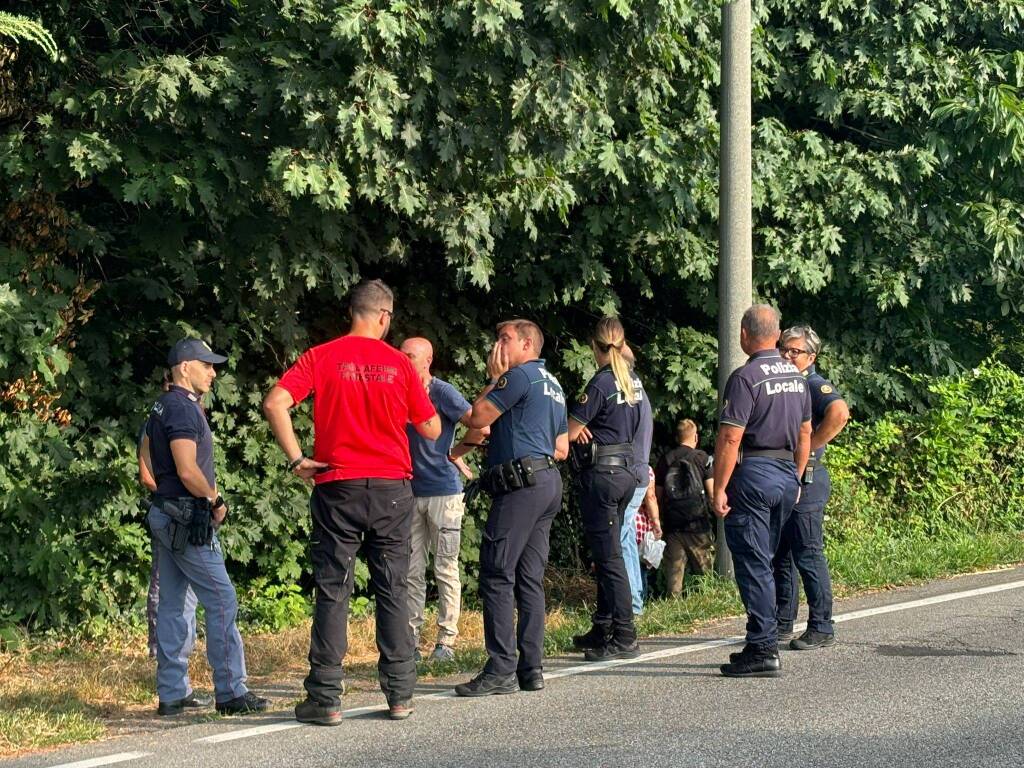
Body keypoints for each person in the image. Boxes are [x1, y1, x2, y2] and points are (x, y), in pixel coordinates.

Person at [263, 279, 440, 725]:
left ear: (353, 313)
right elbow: (433, 429)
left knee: (333, 588)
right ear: (384, 316)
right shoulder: (399, 364)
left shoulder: (322, 356)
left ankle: (325, 698)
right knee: (393, 588)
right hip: (391, 489)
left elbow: (275, 403)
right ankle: (400, 693)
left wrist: (298, 458)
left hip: (336, 484)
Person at [146, 339, 268, 716]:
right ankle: (231, 691)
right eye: (207, 365)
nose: (213, 373)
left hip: (165, 515)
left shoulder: (160, 405)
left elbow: (146, 462)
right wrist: (214, 500)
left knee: (173, 604)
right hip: (188, 520)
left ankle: (172, 693)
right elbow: (186, 468)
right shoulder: (182, 408)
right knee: (221, 599)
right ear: (184, 367)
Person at [453, 319, 568, 696]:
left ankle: (501, 667)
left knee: (498, 572)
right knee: (529, 577)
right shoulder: (553, 384)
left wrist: (493, 377)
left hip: (521, 486)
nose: (497, 346)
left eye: (505, 339)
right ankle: (530, 668)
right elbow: (562, 447)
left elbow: (476, 418)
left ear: (526, 343)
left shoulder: (517, 377)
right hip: (547, 481)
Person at [712, 305, 811, 678]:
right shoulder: (797, 377)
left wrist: (720, 487)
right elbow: (805, 433)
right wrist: (797, 478)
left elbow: (730, 436)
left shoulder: (745, 377)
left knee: (753, 563)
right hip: (786, 473)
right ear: (778, 332)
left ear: (743, 334)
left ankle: (763, 647)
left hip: (754, 474)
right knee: (766, 561)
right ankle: (761, 640)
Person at [399, 337, 487, 664]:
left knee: (445, 567)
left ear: (427, 360)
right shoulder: (398, 390)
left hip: (445, 492)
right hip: (408, 491)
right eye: (401, 355)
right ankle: (409, 641)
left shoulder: (442, 392)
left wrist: (456, 453)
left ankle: (446, 641)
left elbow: (479, 425)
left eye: (410, 356)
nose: (404, 361)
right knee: (410, 570)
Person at [567, 318, 646, 661]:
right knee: (608, 552)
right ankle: (604, 626)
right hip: (626, 471)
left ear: (594, 346)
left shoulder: (599, 384)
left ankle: (624, 634)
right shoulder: (632, 380)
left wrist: (575, 425)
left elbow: (569, 431)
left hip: (603, 475)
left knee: (609, 557)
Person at [773, 325, 849, 650]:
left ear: (811, 356)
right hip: (788, 477)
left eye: (795, 351)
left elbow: (840, 413)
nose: (787, 355)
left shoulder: (813, 384)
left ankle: (821, 626)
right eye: (784, 349)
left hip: (809, 478)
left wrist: (809, 447)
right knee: (781, 555)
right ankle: (782, 622)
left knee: (807, 552)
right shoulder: (786, 385)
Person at [138, 373, 196, 660]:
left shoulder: (189, 418)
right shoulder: (156, 422)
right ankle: (159, 649)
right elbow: (146, 474)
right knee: (165, 585)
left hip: (192, 511)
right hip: (171, 511)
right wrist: (172, 495)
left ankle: (184, 649)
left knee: (188, 589)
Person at [655, 419, 715, 596]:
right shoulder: (702, 458)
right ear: (695, 437)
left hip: (673, 526)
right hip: (698, 525)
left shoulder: (665, 460)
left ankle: (674, 609)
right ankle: (706, 607)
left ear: (677, 437)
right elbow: (712, 493)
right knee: (705, 575)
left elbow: (658, 495)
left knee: (674, 581)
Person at [619, 344, 654, 615]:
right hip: (640, 474)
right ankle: (635, 601)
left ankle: (629, 604)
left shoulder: (622, 390)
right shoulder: (639, 391)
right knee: (627, 536)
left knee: (618, 538)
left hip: (627, 474)